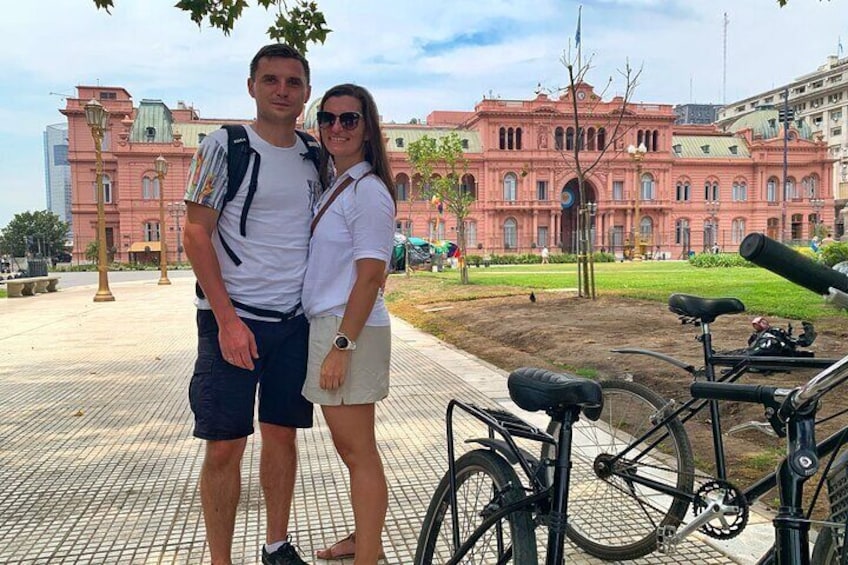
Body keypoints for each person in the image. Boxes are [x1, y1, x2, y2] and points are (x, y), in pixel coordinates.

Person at [182, 43, 318, 565]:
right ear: (252, 86)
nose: (282, 90)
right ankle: (221, 560)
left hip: (293, 322)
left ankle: (276, 545)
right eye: (271, 80)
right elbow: (196, 234)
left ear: (305, 90)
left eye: (292, 81)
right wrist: (228, 322)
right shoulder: (225, 145)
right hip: (233, 321)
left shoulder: (313, 155)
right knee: (225, 445)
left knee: (282, 437)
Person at [301, 84, 395, 564]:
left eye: (349, 119)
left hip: (348, 328)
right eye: (328, 118)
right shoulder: (338, 185)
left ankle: (369, 555)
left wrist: (341, 344)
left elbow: (371, 274)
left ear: (367, 128)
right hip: (335, 324)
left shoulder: (368, 191)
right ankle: (363, 539)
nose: (336, 127)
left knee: (358, 451)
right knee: (351, 448)